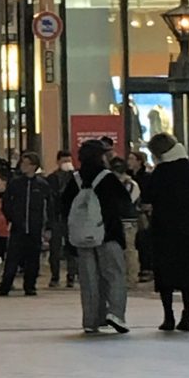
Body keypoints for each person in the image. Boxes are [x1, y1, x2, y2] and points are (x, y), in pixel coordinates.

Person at [61, 138, 130, 334]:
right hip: (108, 234)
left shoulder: (75, 179)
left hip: (82, 236)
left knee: (89, 278)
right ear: (100, 156)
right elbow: (124, 201)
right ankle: (115, 313)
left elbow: (64, 205)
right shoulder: (107, 177)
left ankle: (91, 320)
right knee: (114, 274)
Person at [143, 132, 189, 332]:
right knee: (188, 274)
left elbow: (147, 197)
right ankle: (188, 313)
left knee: (165, 275)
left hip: (164, 230)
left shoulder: (161, 172)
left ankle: (168, 316)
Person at [0, 151, 52, 297]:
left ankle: (30, 286)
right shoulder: (16, 183)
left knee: (33, 258)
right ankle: (5, 285)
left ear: (34, 166)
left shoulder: (42, 184)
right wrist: (12, 218)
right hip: (18, 227)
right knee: (12, 257)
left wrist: (47, 227)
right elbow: (6, 202)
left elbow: (49, 206)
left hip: (35, 227)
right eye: (23, 163)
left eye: (27, 164)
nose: (24, 166)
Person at [45, 149, 78, 289]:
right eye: (64, 161)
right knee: (55, 249)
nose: (67, 164)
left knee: (72, 248)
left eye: (69, 161)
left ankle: (71, 276)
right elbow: (49, 199)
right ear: (58, 162)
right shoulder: (51, 179)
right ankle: (55, 276)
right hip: (57, 217)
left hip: (72, 217)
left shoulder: (76, 178)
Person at [110, 156, 141, 290]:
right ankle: (125, 277)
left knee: (128, 250)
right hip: (123, 220)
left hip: (126, 220)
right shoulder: (130, 184)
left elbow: (128, 202)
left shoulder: (129, 184)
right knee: (125, 251)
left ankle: (131, 277)